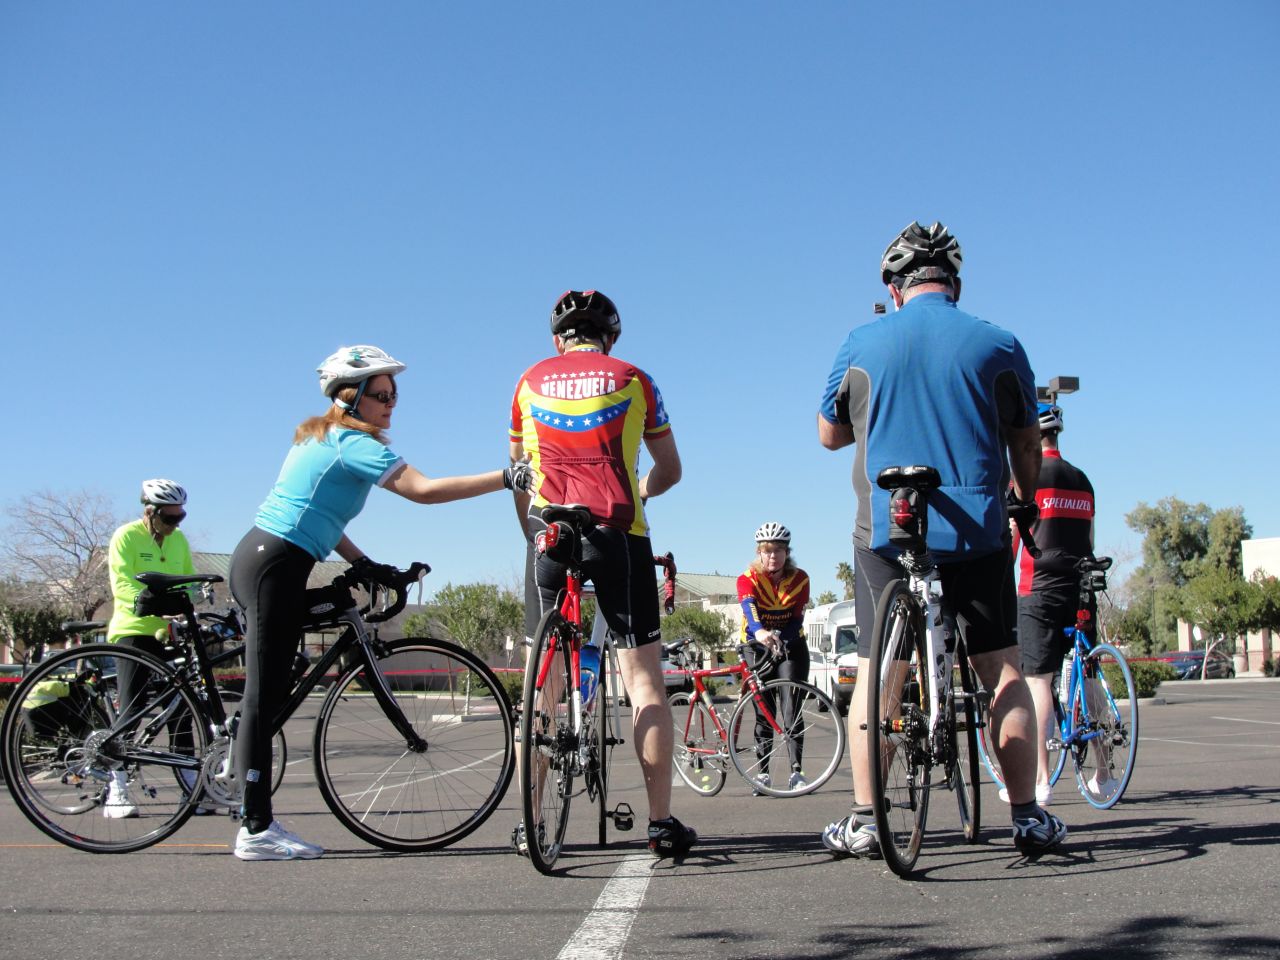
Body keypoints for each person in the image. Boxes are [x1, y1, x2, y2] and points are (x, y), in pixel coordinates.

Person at [816, 221, 1066, 858]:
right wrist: (1022, 498)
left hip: (886, 527)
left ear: (895, 290)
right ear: (953, 284)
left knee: (879, 673)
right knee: (1000, 670)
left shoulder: (861, 340)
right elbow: (1025, 441)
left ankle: (869, 820)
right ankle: (1029, 817)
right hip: (976, 523)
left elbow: (829, 433)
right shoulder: (998, 343)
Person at [229, 345, 532, 861]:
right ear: (351, 397)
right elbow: (424, 490)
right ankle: (255, 827)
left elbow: (322, 516)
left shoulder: (324, 437)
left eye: (395, 394)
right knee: (264, 693)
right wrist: (505, 477)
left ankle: (239, 764)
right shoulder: (352, 443)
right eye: (382, 394)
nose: (392, 403)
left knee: (298, 657)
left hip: (272, 559)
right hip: (273, 565)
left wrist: (367, 565)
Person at [508, 289, 695, 858]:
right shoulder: (635, 377)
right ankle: (660, 823)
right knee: (644, 682)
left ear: (557, 338)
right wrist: (641, 488)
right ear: (610, 337)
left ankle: (531, 823)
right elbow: (670, 470)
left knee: (542, 686)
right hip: (619, 531)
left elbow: (520, 475)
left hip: (550, 532)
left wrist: (532, 535)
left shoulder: (527, 382)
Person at [1010, 401, 1099, 804]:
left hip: (1039, 587)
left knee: (1038, 680)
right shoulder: (1082, 480)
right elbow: (1091, 539)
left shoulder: (1025, 478)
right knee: (1091, 673)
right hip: (1081, 585)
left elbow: (1013, 537)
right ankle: (1105, 772)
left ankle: (1041, 780)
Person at [103, 479, 197, 818]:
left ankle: (191, 786)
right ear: (150, 512)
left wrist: (194, 601)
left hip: (170, 632)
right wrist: (156, 606)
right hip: (134, 631)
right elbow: (123, 584)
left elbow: (187, 580)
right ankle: (117, 789)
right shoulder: (126, 536)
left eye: (180, 518)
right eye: (170, 519)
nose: (175, 525)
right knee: (133, 708)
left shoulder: (179, 540)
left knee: (186, 710)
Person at [736, 522, 811, 793]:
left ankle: (797, 771)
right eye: (767, 550)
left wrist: (778, 636)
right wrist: (760, 633)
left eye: (778, 550)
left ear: (786, 553)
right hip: (757, 647)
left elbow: (796, 618)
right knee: (763, 710)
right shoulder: (748, 579)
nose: (773, 556)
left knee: (791, 706)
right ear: (759, 552)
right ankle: (764, 773)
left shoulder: (800, 578)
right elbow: (750, 612)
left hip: (790, 644)